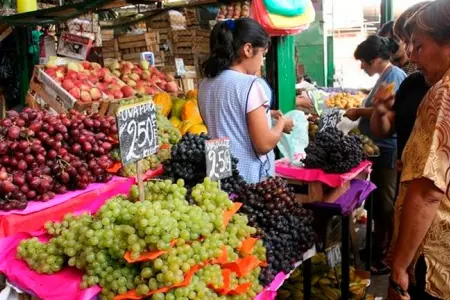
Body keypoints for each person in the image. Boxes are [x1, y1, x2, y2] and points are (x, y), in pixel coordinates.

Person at [385, 1, 450, 299]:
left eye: (419, 46)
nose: (411, 56)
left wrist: (398, 268)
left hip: (437, 261)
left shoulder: (444, 94)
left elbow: (428, 192)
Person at [198, 19, 293, 184]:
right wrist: (281, 124)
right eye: (262, 54)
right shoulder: (250, 85)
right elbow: (263, 144)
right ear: (248, 49)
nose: (262, 61)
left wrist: (266, 114)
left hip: (218, 174)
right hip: (246, 178)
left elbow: (226, 116)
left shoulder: (205, 84)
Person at [345, 35, 407, 274]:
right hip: (378, 152)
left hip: (388, 151)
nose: (362, 67)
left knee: (385, 204)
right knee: (376, 201)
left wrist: (359, 110)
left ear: (374, 59)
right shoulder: (385, 76)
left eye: (363, 62)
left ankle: (384, 258)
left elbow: (388, 111)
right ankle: (375, 247)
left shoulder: (395, 76)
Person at [371, 1, 431, 174]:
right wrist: (380, 113)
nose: (411, 53)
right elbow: (385, 130)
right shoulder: (412, 83)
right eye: (406, 43)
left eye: (418, 45)